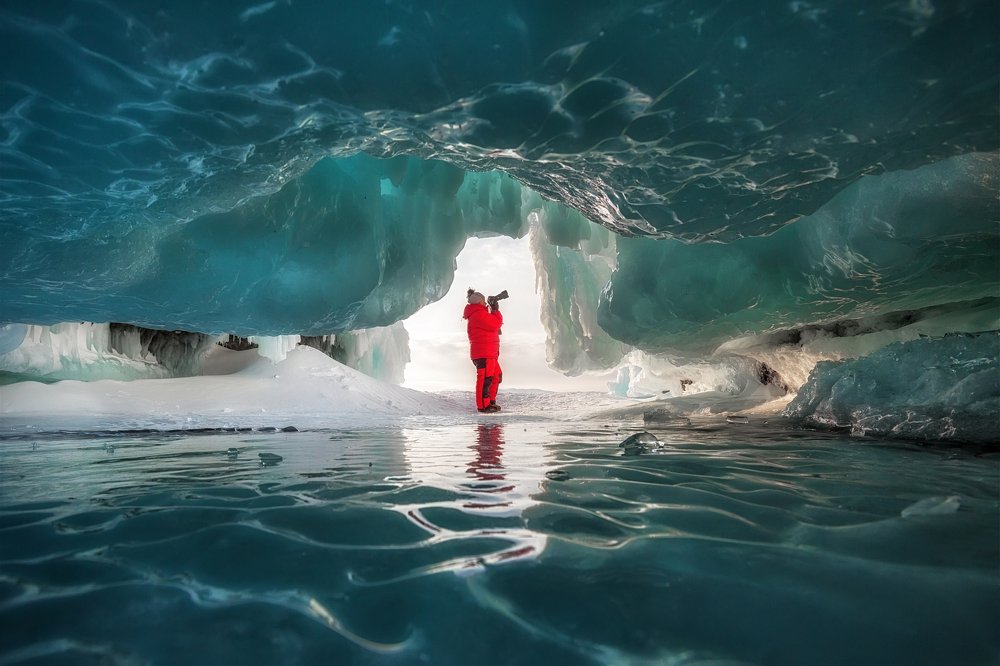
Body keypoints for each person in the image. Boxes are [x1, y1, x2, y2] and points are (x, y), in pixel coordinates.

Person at [463, 288, 503, 413]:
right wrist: (495, 310)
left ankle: (490, 402)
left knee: (496, 376)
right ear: (479, 302)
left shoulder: (480, 313)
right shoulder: (478, 314)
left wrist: (493, 311)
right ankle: (483, 406)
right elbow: (495, 324)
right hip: (484, 353)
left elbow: (493, 324)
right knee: (485, 379)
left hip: (488, 353)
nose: (486, 304)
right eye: (484, 302)